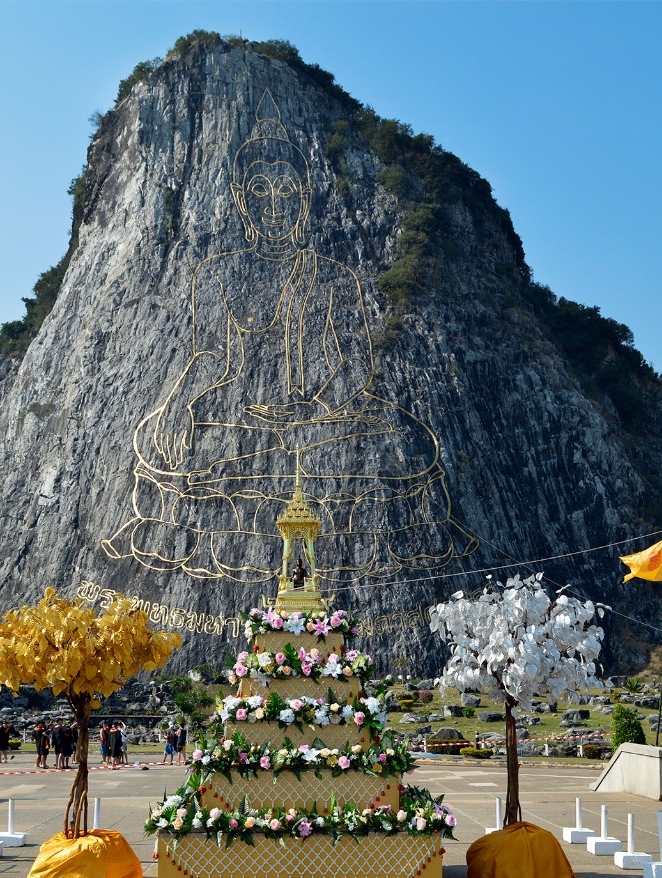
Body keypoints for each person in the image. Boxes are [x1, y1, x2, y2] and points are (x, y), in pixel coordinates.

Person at [100, 89, 473, 583]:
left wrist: (316, 408)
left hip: (326, 422)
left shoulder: (336, 275)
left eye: (286, 191)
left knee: (401, 441)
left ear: (303, 197)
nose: (273, 205)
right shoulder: (218, 271)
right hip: (244, 421)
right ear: (238, 197)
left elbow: (357, 364)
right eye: (259, 191)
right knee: (166, 439)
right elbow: (212, 355)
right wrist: (177, 402)